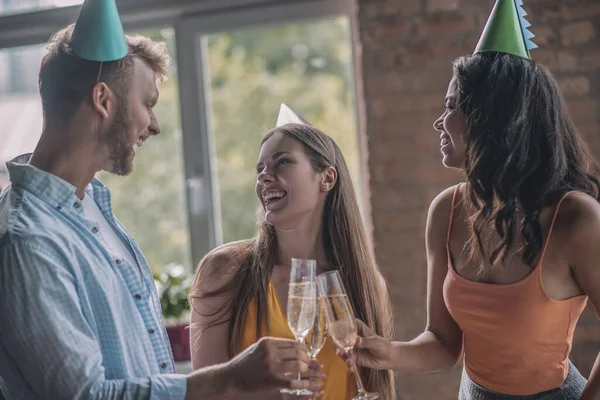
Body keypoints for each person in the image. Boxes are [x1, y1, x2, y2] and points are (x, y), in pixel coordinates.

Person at [0, 1, 319, 399]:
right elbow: (85, 395)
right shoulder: (28, 239)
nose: (154, 124)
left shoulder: (93, 208)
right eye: (147, 103)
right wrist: (229, 378)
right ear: (103, 99)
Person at [340, 1, 600, 399]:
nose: (439, 122)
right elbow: (443, 344)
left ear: (490, 115)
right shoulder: (446, 210)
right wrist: (383, 352)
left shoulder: (576, 218)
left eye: (450, 106)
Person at [189, 104, 396, 399]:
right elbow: (203, 392)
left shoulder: (367, 284)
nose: (264, 176)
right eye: (259, 169)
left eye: (282, 162)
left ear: (327, 178)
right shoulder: (225, 270)